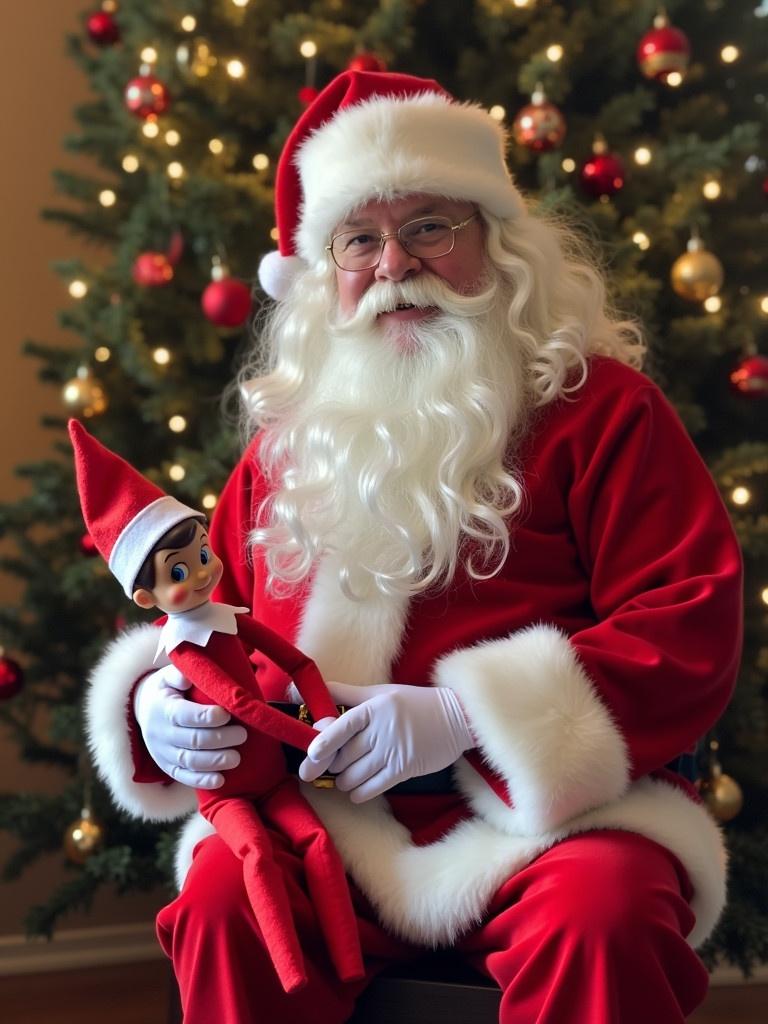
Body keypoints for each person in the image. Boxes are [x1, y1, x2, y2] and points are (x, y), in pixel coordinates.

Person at [85, 70, 743, 1024]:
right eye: (360, 238)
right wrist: (158, 702)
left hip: (550, 823)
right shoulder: (287, 445)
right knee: (228, 901)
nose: (395, 264)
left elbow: (688, 625)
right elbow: (194, 607)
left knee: (604, 918)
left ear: (496, 241)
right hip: (319, 826)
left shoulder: (604, 412)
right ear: (326, 273)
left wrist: (462, 718)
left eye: (430, 225)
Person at [69, 420, 363, 993]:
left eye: (200, 553)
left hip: (323, 777)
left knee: (315, 844)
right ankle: (293, 974)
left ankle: (347, 965)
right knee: (236, 881)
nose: (204, 571)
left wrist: (326, 719)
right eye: (181, 571)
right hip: (256, 786)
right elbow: (237, 702)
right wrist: (147, 697)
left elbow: (298, 665)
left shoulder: (231, 622)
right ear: (147, 596)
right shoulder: (274, 457)